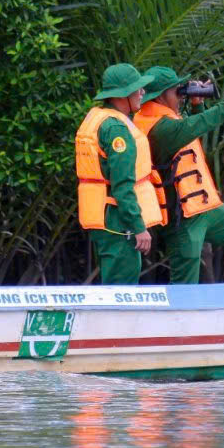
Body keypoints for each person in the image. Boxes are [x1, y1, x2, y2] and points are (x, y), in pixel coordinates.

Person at [135, 66, 224, 284]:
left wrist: (196, 105)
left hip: (204, 208)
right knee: (185, 282)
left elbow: (192, 139)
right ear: (162, 96)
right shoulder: (160, 129)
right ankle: (179, 315)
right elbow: (205, 122)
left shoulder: (168, 120)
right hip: (182, 219)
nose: (181, 95)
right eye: (177, 91)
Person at [73, 64, 165, 285]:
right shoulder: (116, 129)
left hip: (104, 217)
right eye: (138, 89)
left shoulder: (99, 118)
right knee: (121, 289)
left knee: (112, 285)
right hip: (117, 220)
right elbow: (122, 185)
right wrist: (138, 226)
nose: (142, 92)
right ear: (123, 94)